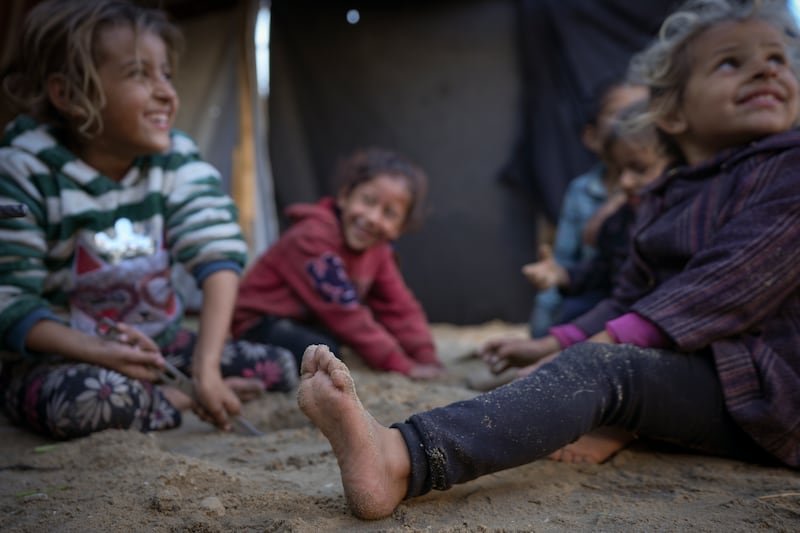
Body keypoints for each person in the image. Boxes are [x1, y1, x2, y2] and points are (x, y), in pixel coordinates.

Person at [297, 0, 800, 519]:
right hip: (695, 386)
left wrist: (585, 352)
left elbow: (725, 289)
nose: (768, 68)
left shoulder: (789, 169)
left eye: (779, 59)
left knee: (600, 369)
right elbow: (626, 297)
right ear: (672, 111)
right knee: (582, 368)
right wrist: (548, 343)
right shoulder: (668, 195)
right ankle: (577, 404)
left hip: (765, 397)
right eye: (730, 62)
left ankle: (399, 459)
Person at [0, 0, 298, 440]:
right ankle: (171, 400)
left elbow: (217, 255)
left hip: (155, 345)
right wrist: (100, 352)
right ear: (67, 94)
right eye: (139, 73)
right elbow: (10, 303)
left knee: (280, 365)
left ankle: (165, 393)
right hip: (59, 356)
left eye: (167, 74)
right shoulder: (25, 169)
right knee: (96, 398)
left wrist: (207, 369)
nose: (166, 93)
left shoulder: (174, 159)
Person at [489, 100, 669, 378]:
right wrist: (563, 276)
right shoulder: (621, 218)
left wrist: (553, 356)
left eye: (639, 169)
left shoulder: (673, 225)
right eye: (619, 171)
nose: (625, 183)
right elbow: (607, 274)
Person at [232, 147, 444, 380]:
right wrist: (404, 367)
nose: (373, 218)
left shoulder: (378, 250)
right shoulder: (312, 237)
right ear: (344, 196)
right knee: (322, 351)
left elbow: (399, 306)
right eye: (368, 201)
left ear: (400, 229)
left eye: (390, 213)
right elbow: (344, 313)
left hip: (307, 322)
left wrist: (426, 356)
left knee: (332, 345)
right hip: (257, 324)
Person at [527, 80, 648, 338]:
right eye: (621, 113)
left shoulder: (668, 189)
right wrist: (539, 336)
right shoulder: (581, 191)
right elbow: (567, 263)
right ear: (592, 136)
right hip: (592, 293)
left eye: (642, 112)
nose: (632, 122)